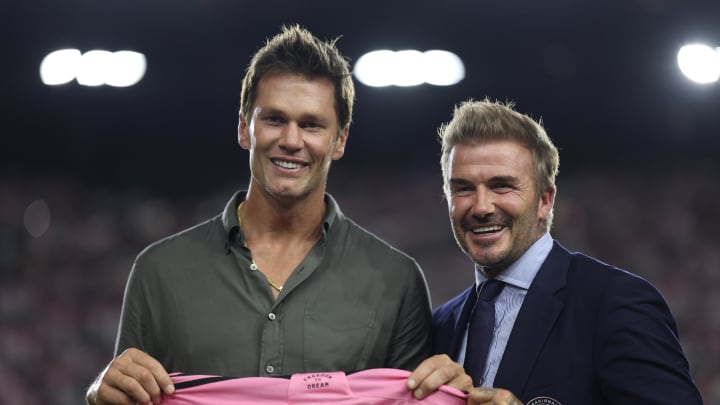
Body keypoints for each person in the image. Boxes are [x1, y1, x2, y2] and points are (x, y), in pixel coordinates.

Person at [86, 25, 468, 405]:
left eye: (311, 125)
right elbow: (126, 395)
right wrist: (100, 394)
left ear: (340, 140)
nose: (290, 140)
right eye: (274, 119)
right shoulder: (158, 271)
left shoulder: (397, 281)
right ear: (244, 128)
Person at [430, 98, 704, 404]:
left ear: (545, 200)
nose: (481, 207)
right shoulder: (440, 325)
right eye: (464, 188)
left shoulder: (616, 303)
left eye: (502, 186)